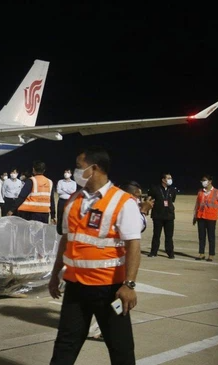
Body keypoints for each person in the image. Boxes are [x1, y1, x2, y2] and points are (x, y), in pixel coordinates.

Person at [48, 146, 143, 365]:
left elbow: (133, 246)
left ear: (95, 168)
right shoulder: (72, 200)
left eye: (79, 166)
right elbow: (66, 240)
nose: (75, 171)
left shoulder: (123, 201)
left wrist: (129, 285)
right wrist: (55, 274)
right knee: (65, 345)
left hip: (109, 289)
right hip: (75, 287)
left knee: (120, 348)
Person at [87, 180, 153, 341]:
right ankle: (105, 329)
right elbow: (137, 228)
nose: (139, 200)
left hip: (103, 263)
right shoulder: (125, 205)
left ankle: (105, 327)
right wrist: (143, 211)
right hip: (112, 266)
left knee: (109, 302)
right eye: (138, 196)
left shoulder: (108, 203)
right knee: (115, 301)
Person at [7, 160, 56, 224]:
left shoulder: (31, 180)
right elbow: (51, 200)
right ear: (44, 170)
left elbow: (22, 196)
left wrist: (12, 210)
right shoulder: (50, 182)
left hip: (30, 213)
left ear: (33, 169)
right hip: (44, 213)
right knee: (42, 230)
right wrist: (53, 216)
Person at [147, 173, 177, 259]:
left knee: (169, 236)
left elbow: (172, 200)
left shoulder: (172, 190)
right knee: (156, 235)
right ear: (163, 180)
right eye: (168, 178)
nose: (170, 180)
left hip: (169, 216)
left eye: (171, 178)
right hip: (158, 215)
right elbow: (149, 199)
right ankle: (153, 252)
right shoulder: (155, 189)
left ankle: (170, 252)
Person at [193, 174, 218, 262]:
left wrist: (216, 210)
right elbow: (197, 204)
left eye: (204, 180)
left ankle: (211, 255)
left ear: (210, 181)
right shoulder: (200, 191)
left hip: (211, 217)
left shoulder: (216, 192)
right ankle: (201, 254)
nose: (203, 182)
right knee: (201, 236)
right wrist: (195, 216)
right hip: (201, 217)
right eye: (202, 180)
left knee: (211, 237)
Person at [56, 169, 77, 235]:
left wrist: (64, 189)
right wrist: (68, 191)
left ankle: (67, 231)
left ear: (71, 174)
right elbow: (59, 191)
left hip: (69, 201)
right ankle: (59, 231)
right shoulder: (60, 182)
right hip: (61, 201)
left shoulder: (73, 183)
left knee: (68, 216)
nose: (66, 173)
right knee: (60, 216)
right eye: (65, 172)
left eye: (68, 172)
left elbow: (73, 192)